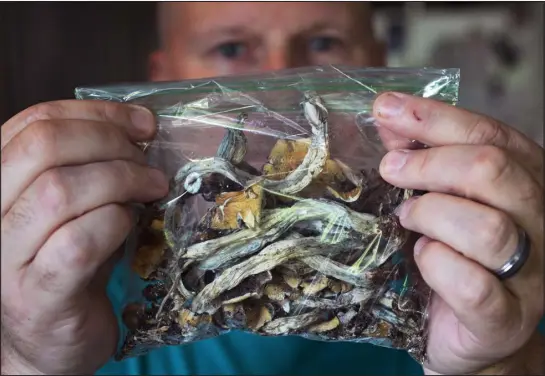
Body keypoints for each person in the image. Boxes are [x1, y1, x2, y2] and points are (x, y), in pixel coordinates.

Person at [1, 2, 543, 375]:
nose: (282, 85)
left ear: (381, 65)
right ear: (162, 79)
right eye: (232, 48)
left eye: (324, 42)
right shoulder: (72, 282)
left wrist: (497, 365)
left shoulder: (486, 273)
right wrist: (26, 361)